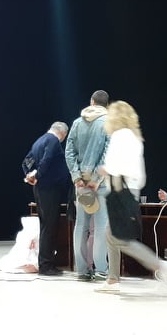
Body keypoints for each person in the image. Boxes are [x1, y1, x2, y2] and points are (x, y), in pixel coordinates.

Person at [98, 100, 167, 293]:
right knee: (111, 234)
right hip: (131, 189)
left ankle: (160, 265)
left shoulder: (119, 136)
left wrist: (105, 170)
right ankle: (112, 279)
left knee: (118, 236)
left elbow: (116, 165)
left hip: (120, 189)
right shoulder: (135, 137)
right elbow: (139, 172)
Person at [64, 89, 111, 280]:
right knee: (101, 227)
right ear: (107, 105)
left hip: (81, 184)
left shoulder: (77, 123)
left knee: (81, 226)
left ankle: (82, 271)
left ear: (92, 102)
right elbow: (108, 155)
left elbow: (69, 152)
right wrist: (96, 179)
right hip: (99, 184)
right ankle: (101, 270)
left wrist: (77, 177)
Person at [22, 121, 72, 276]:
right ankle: (46, 265)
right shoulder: (53, 141)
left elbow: (26, 161)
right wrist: (38, 175)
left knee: (45, 226)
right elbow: (47, 159)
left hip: (39, 189)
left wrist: (29, 175)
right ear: (63, 133)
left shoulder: (39, 141)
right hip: (49, 189)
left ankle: (45, 263)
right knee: (50, 226)